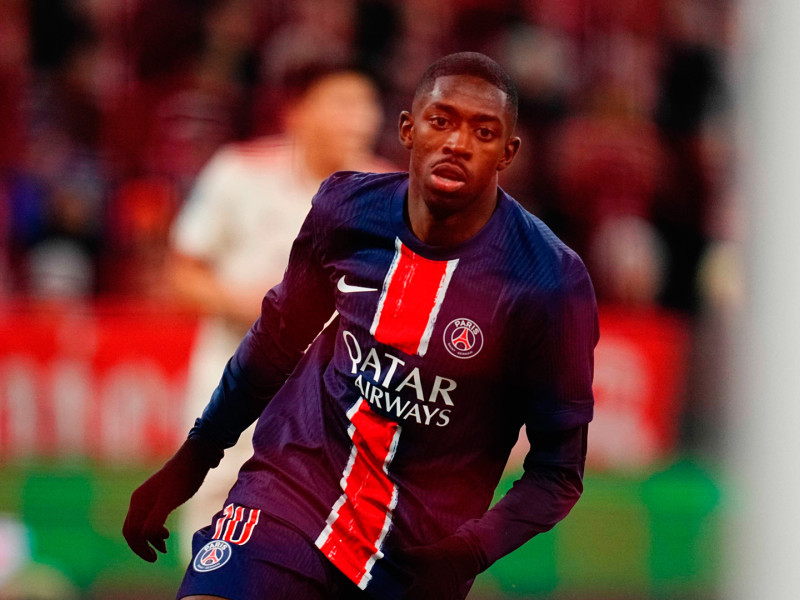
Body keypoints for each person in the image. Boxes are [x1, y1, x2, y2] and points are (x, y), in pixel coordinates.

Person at [124, 52, 598, 600]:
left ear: (508, 153)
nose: (458, 143)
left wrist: (466, 553)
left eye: (484, 131)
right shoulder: (347, 208)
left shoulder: (549, 282)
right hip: (289, 496)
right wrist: (193, 459)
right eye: (440, 121)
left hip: (414, 556)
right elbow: (276, 342)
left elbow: (557, 473)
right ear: (408, 129)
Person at [168, 62, 392, 555]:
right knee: (216, 519)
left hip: (339, 391)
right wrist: (254, 306)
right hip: (237, 378)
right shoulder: (239, 170)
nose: (359, 119)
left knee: (331, 531)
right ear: (298, 113)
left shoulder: (392, 194)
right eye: (342, 104)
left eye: (366, 105)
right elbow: (182, 271)